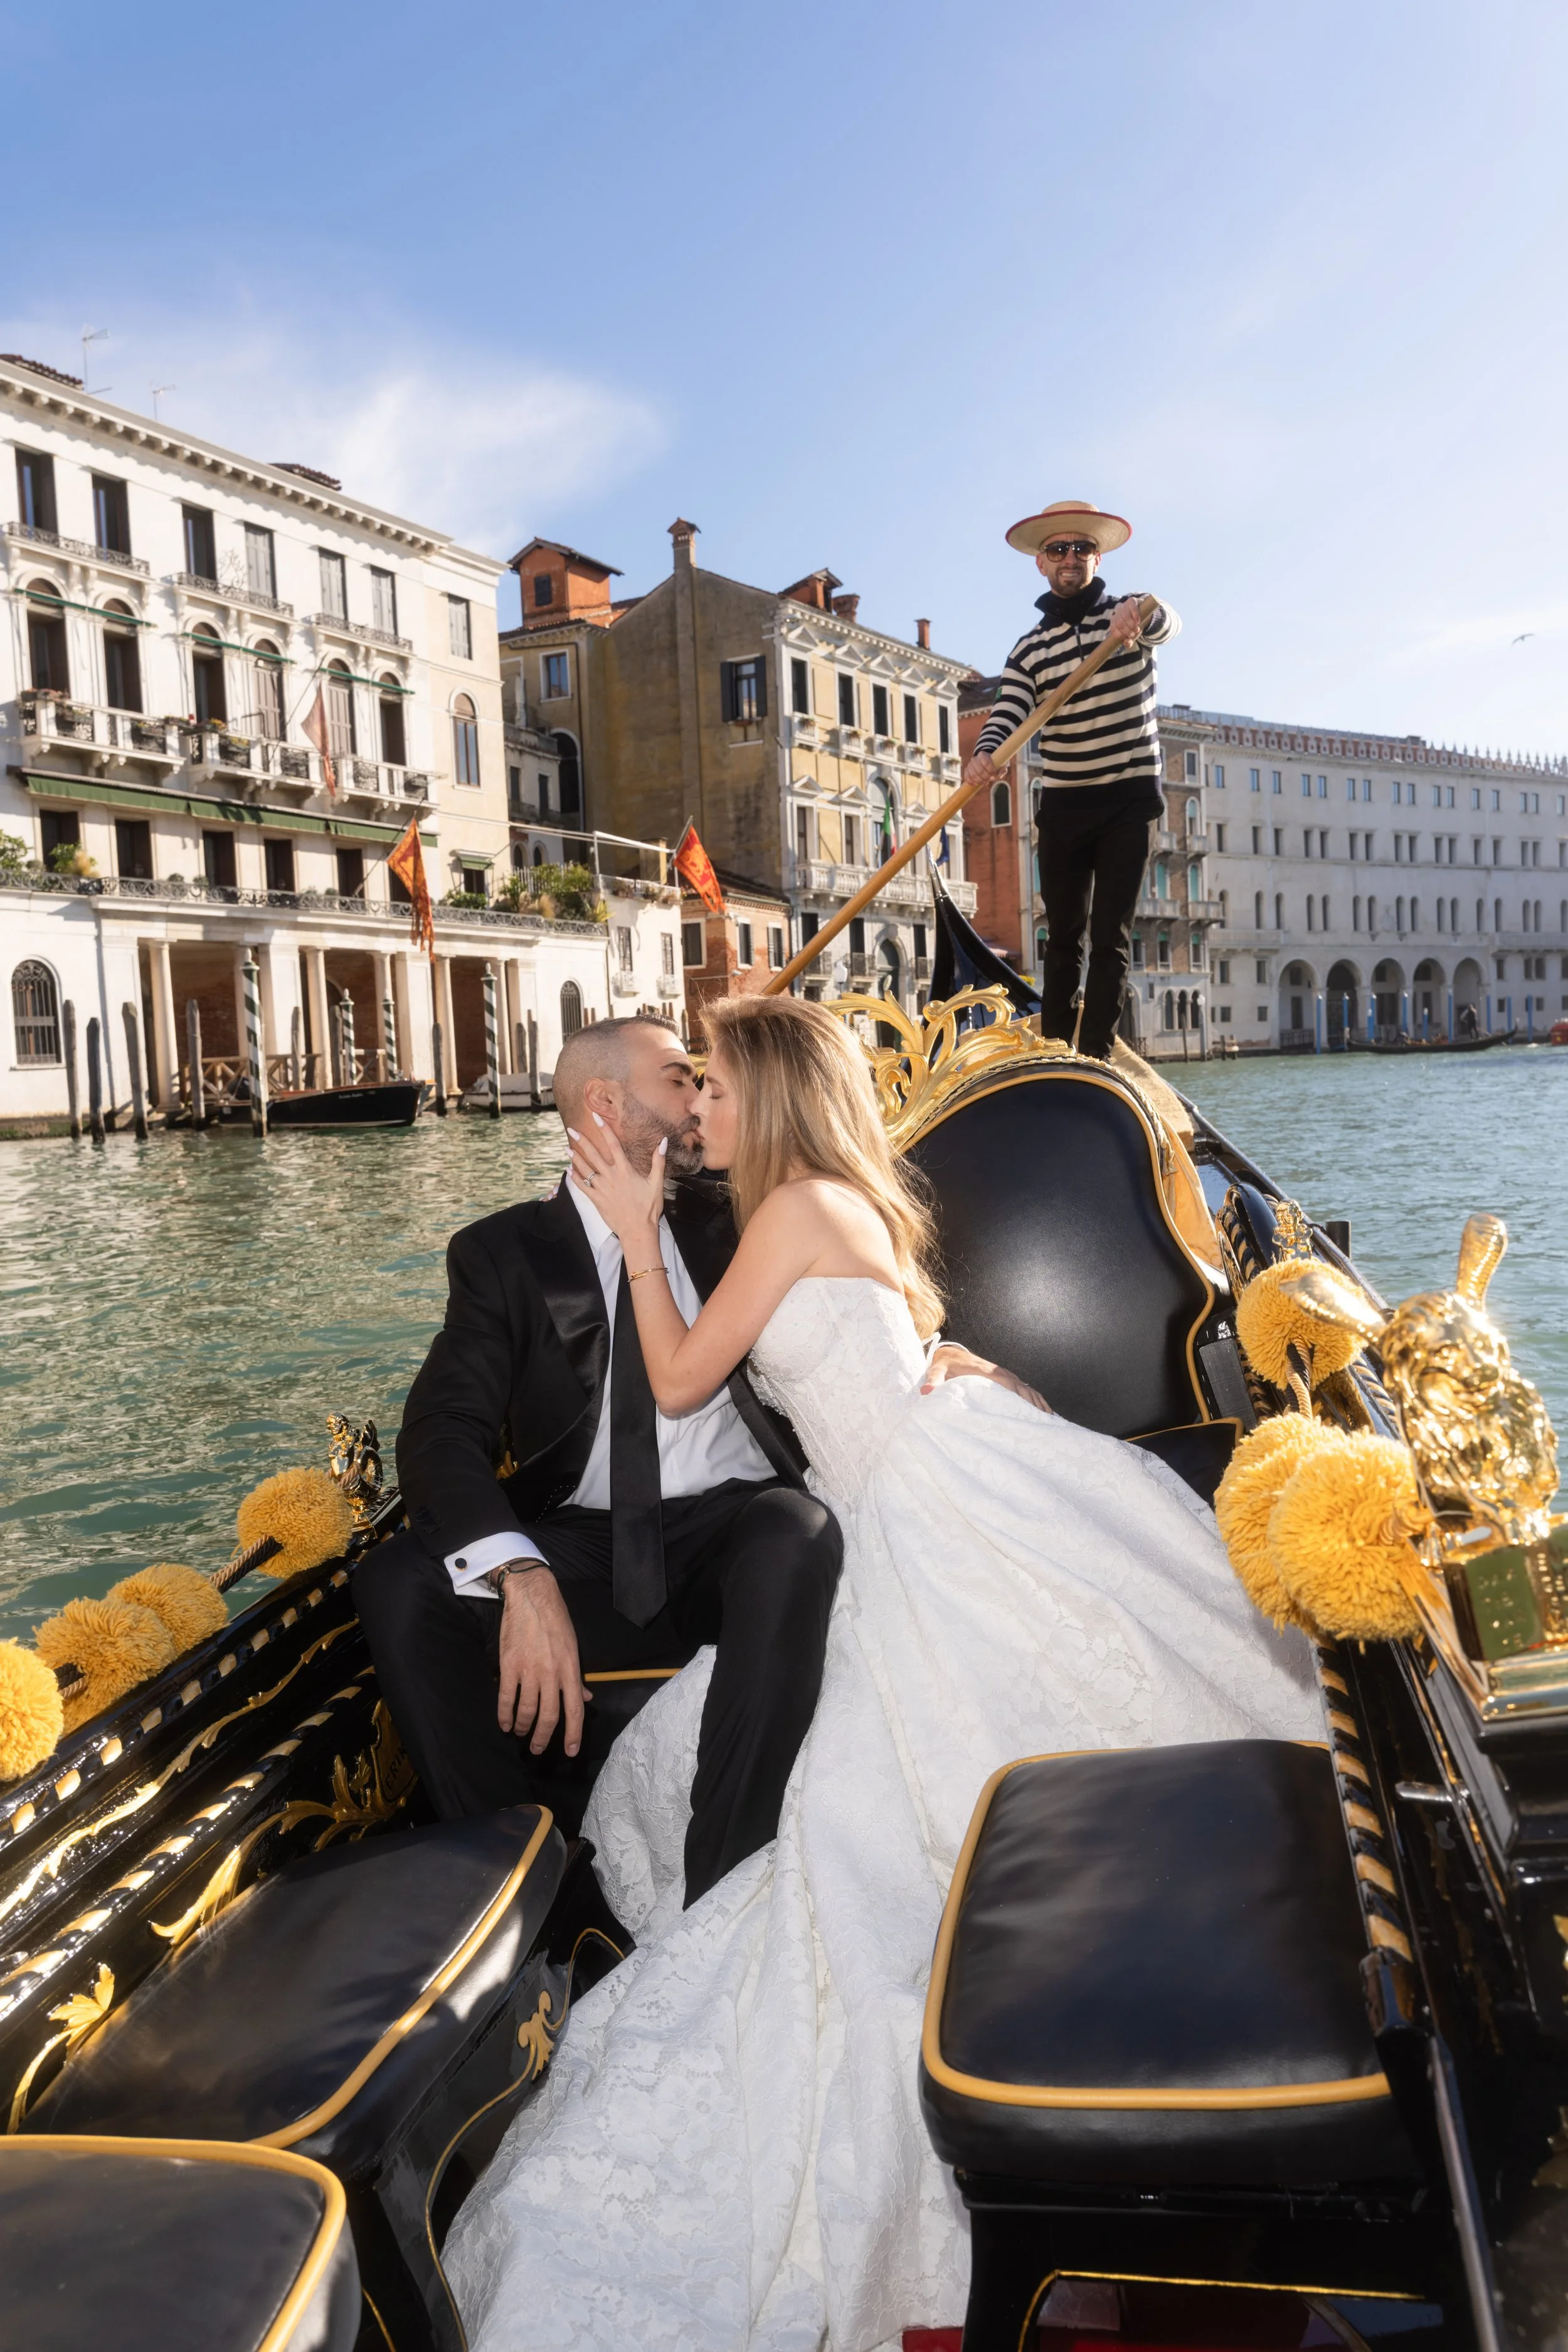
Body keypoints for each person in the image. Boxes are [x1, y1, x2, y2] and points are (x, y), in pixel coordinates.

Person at [444, 995, 1322, 2352]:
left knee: (908, 1803)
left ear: (776, 1098)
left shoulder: (788, 1209)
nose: (699, 1113)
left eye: (717, 1092)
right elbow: (866, 1358)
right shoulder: (815, 1201)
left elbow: (675, 1382)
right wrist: (945, 1362)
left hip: (918, 1512)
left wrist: (628, 1231)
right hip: (906, 1490)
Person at [354, 1014, 1016, 1905]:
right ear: (604, 1102)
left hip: (733, 1528)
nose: (700, 1098)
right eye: (680, 1078)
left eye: (711, 1082)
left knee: (796, 1528)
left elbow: (860, 1294)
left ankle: (724, 1886)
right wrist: (521, 1572)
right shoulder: (501, 1253)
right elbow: (440, 1429)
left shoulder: (736, 1208)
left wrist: (945, 1352)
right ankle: (542, 1904)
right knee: (401, 1580)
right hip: (584, 1546)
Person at [965, 497, 1179, 1059]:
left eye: (1082, 548)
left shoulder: (1130, 616)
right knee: (1061, 939)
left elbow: (1167, 622)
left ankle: (1097, 1057)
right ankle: (1056, 1052)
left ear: (1098, 558)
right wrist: (985, 756)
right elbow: (1009, 712)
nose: (1070, 557)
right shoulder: (1030, 649)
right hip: (1064, 804)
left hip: (1128, 799)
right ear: (1041, 563)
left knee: (1109, 937)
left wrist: (1141, 616)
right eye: (1058, 549)